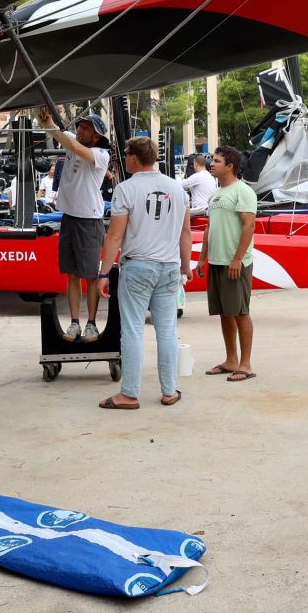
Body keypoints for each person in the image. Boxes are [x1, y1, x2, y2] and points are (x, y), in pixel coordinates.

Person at [95, 136, 192, 409]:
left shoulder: (125, 189)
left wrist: (104, 273)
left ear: (135, 158)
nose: (125, 160)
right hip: (170, 266)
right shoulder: (177, 189)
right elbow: (185, 232)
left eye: (126, 155)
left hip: (138, 265)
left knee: (133, 330)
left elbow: (115, 235)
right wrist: (186, 266)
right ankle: (169, 389)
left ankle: (129, 393)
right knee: (167, 330)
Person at [39, 105, 111, 342]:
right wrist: (47, 120)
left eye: (86, 127)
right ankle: (74, 323)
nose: (80, 129)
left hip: (89, 220)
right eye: (80, 125)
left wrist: (59, 132)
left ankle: (91, 323)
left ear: (96, 136)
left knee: (90, 275)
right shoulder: (72, 139)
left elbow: (71, 144)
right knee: (71, 274)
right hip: (69, 217)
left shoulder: (101, 155)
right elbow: (55, 131)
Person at [201, 145, 260, 382]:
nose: (211, 164)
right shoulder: (215, 194)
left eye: (216, 161)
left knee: (240, 312)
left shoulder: (242, 191)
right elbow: (208, 228)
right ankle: (230, 360)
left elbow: (249, 226)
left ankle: (245, 364)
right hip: (216, 261)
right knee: (225, 313)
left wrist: (237, 259)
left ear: (230, 166)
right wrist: (202, 257)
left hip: (235, 262)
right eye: (212, 160)